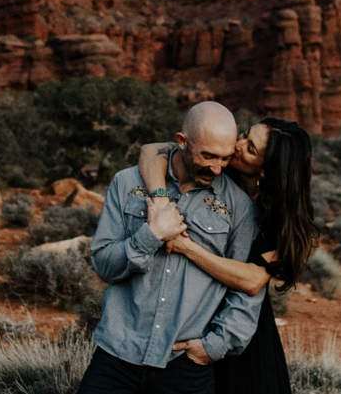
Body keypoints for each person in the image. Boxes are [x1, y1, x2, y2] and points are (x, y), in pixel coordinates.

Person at [79, 101, 264, 394]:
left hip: (186, 368)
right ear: (181, 142)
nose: (217, 168)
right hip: (117, 356)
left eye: (226, 158)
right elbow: (103, 264)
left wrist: (213, 346)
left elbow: (244, 293)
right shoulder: (127, 183)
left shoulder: (238, 207)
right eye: (208, 156)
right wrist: (151, 234)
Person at [136, 117, 316, 394]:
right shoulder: (217, 166)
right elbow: (152, 151)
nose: (237, 145)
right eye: (244, 135)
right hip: (188, 317)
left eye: (250, 148)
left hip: (236, 330)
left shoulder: (277, 217)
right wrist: (161, 202)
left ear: (266, 171)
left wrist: (186, 248)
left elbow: (252, 280)